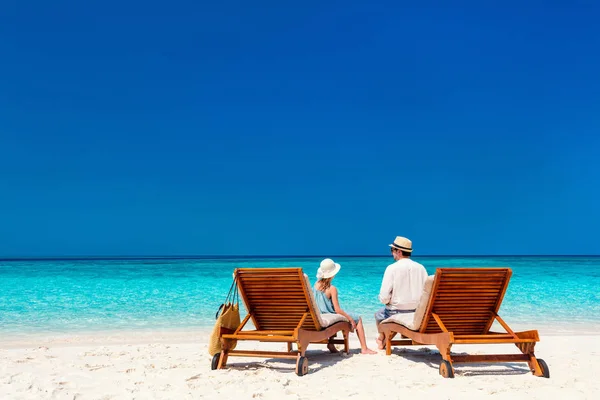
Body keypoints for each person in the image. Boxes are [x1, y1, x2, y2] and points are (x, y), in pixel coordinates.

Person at [313, 258, 377, 355]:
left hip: (320, 314)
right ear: (332, 274)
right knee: (358, 318)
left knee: (344, 316)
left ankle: (331, 343)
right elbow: (337, 310)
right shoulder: (332, 289)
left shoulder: (315, 285)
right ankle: (364, 348)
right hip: (329, 314)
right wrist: (350, 319)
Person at [374, 236, 428, 349]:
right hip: (417, 313)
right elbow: (426, 293)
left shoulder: (392, 268)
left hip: (396, 313)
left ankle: (382, 339)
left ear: (399, 251)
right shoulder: (421, 268)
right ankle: (400, 334)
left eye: (392, 250)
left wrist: (386, 300)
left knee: (378, 314)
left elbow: (384, 298)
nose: (391, 253)